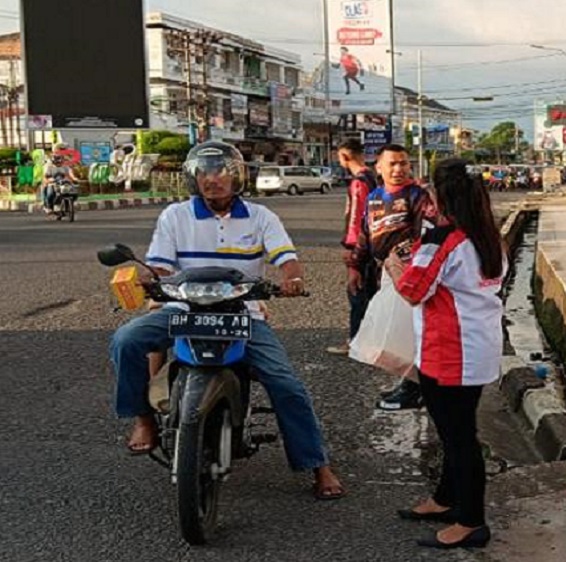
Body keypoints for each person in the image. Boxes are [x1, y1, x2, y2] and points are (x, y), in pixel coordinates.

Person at [109, 141, 345, 500]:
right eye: (203, 173)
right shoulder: (175, 215)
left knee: (286, 385)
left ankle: (317, 464)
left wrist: (293, 279)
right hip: (185, 310)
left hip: (242, 313)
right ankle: (144, 420)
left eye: (220, 172)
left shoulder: (261, 216)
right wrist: (147, 278)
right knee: (126, 340)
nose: (212, 180)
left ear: (236, 177)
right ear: (193, 178)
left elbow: (286, 257)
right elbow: (160, 265)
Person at [385, 158, 504, 550]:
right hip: (477, 347)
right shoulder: (487, 234)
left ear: (440, 196)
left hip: (450, 351)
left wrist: (395, 265)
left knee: (458, 438)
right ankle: (446, 498)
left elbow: (413, 290)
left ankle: (472, 521)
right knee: (457, 429)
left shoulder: (443, 239)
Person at [348, 144, 435, 411]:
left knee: (409, 334)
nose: (398, 169)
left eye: (403, 163)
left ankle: (415, 389)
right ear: (380, 168)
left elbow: (427, 236)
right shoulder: (374, 197)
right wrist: (354, 266)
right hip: (383, 274)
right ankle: (410, 384)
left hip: (409, 276)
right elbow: (365, 234)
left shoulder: (418, 196)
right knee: (392, 333)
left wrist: (408, 263)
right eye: (392, 164)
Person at [327, 138, 379, 355]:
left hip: (361, 245)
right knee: (371, 293)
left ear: (345, 157)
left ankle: (357, 342)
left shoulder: (359, 182)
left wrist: (351, 249)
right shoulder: (373, 177)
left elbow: (357, 217)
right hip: (374, 243)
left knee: (356, 292)